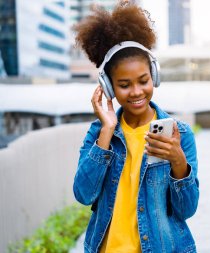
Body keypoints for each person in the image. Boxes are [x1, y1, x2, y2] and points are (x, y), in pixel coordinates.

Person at [72, 2, 199, 253]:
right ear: (109, 87)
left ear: (154, 76)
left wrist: (178, 161)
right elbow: (83, 195)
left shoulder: (179, 134)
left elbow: (187, 210)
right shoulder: (98, 134)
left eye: (143, 81)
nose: (137, 92)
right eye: (124, 84)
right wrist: (106, 132)